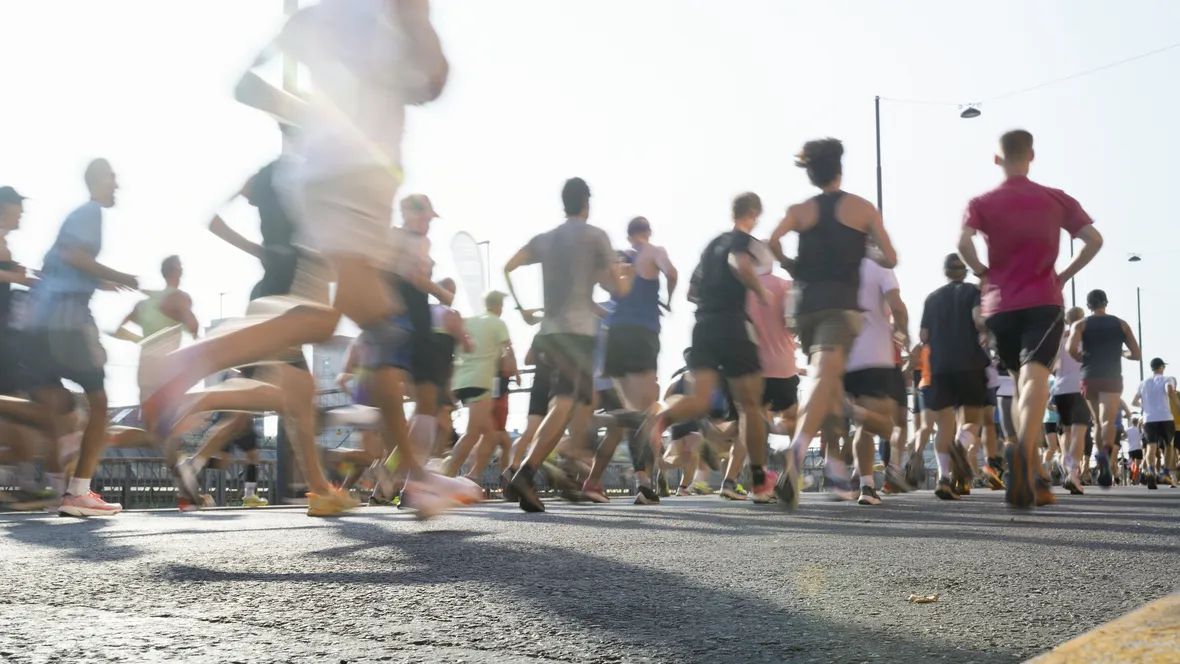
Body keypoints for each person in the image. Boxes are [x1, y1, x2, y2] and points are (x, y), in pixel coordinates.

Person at [141, 0, 467, 516]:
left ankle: (401, 476)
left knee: (356, 326)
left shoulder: (310, 17)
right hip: (362, 172)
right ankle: (187, 366)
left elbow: (245, 84)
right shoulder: (388, 10)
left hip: (317, 177)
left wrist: (304, 112)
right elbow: (432, 81)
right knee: (361, 325)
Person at [957, 129, 1103, 508]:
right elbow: (1094, 240)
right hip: (1043, 300)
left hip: (1000, 307)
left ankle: (1034, 475)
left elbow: (963, 242)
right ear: (1031, 156)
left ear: (997, 159)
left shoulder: (983, 202)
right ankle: (1023, 455)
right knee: (1036, 376)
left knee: (1022, 385)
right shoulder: (1055, 198)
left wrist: (981, 271)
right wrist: (1065, 274)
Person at [768, 138, 897, 510]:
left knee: (825, 380)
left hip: (804, 307)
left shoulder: (800, 209)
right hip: (840, 307)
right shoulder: (862, 208)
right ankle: (797, 450)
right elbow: (889, 256)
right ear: (840, 168)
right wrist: (865, 247)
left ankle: (818, 452)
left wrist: (791, 264)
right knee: (825, 375)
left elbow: (773, 240)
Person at [503, 177, 631, 512]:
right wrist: (622, 277)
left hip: (547, 332)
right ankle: (529, 471)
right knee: (565, 403)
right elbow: (614, 287)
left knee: (575, 401)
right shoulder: (595, 236)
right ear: (586, 202)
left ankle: (562, 463)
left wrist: (523, 310)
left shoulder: (546, 239)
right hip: (576, 336)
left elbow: (509, 266)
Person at [22, 159, 139, 516]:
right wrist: (120, 274)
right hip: (69, 321)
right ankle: (78, 492)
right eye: (111, 179)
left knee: (57, 403)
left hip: (41, 323)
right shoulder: (90, 212)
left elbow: (60, 263)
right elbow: (76, 256)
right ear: (97, 181)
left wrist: (100, 280)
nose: (116, 185)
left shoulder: (75, 216)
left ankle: (40, 480)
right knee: (100, 402)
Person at [651, 193, 778, 504]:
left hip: (703, 324)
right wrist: (759, 290)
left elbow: (692, 292)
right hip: (732, 323)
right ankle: (760, 482)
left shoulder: (710, 248)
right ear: (753, 213)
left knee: (698, 400)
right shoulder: (742, 240)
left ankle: (658, 419)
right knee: (751, 406)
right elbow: (739, 263)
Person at [604, 216, 677, 502]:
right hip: (643, 332)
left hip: (615, 333)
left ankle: (643, 479)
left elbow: (611, 290)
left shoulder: (619, 257)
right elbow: (672, 274)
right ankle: (647, 479)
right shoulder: (654, 251)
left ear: (628, 234)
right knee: (646, 411)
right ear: (647, 232)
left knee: (631, 412)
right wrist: (669, 300)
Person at [920, 254, 996, 500]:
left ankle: (944, 478)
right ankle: (959, 447)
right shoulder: (972, 292)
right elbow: (978, 320)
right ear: (964, 272)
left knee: (944, 424)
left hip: (939, 365)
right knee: (970, 421)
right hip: (969, 362)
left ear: (945, 272)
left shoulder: (932, 298)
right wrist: (989, 331)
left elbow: (923, 335)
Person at [842, 250, 909, 505]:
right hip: (873, 356)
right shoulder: (880, 265)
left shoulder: (838, 265)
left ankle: (865, 484)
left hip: (842, 356)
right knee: (886, 426)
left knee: (864, 429)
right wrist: (903, 331)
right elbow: (898, 307)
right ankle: (878, 477)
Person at [1068, 288, 1140, 488]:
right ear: (1105, 303)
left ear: (1088, 305)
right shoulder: (1120, 324)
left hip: (1089, 376)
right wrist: (1122, 353)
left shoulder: (1081, 324)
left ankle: (1102, 461)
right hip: (1112, 376)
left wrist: (1079, 357)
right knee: (1108, 420)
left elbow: (1071, 349)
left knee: (1097, 422)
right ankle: (1105, 460)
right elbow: (1136, 354)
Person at [445, 291, 513, 478]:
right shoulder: (498, 322)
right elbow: (508, 349)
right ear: (499, 306)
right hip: (480, 381)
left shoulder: (469, 320)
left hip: (461, 381)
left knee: (490, 435)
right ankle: (446, 476)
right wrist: (514, 371)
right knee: (472, 433)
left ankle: (472, 477)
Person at [1053, 307, 1091, 495]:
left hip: (1060, 388)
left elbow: (1052, 365)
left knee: (1065, 431)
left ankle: (1067, 465)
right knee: (1079, 431)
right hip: (1081, 387)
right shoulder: (1088, 337)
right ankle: (1073, 473)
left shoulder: (1058, 340)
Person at [1132, 358, 1177, 490]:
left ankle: (1150, 471)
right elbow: (1170, 391)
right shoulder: (1168, 379)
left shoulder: (1143, 383)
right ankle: (1166, 473)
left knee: (1151, 447)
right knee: (1169, 445)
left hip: (1149, 418)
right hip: (1165, 417)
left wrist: (1145, 405)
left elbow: (1134, 402)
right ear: (1161, 367)